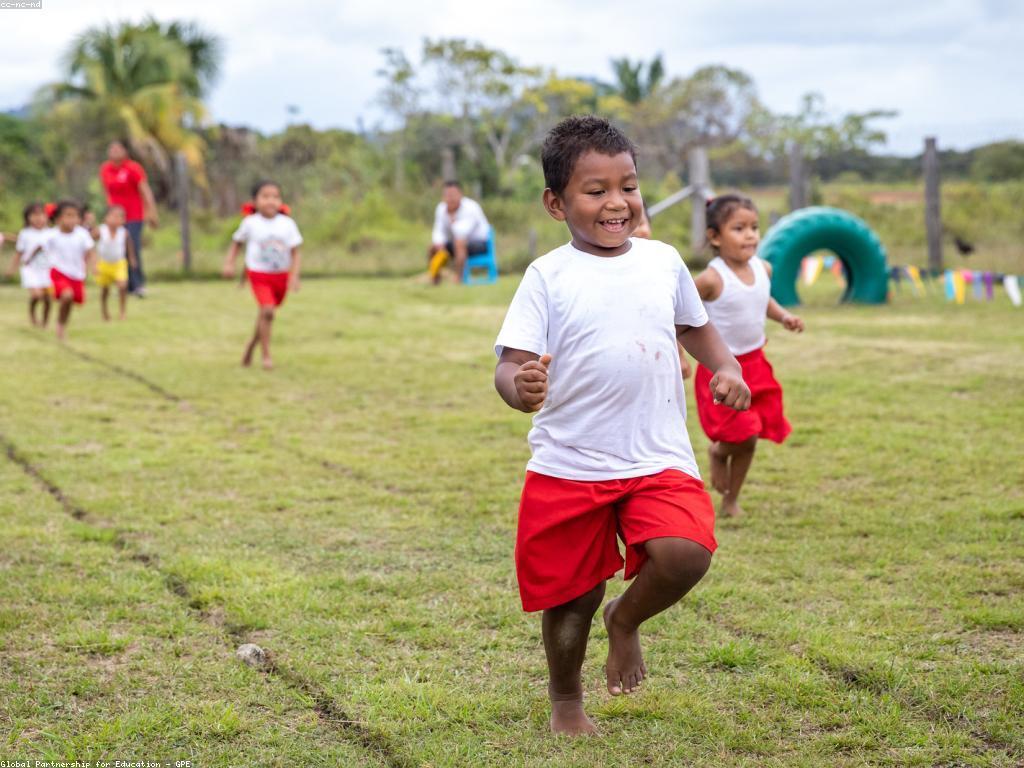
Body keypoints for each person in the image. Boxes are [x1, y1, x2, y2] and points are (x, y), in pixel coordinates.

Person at [493, 116, 751, 736]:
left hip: (656, 455)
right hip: (569, 463)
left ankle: (626, 620)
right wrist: (520, 387)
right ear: (556, 203)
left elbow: (694, 326)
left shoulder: (662, 261)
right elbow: (509, 365)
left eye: (628, 186)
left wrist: (727, 366)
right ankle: (565, 700)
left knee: (686, 553)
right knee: (571, 595)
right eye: (596, 190)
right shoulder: (546, 277)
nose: (618, 203)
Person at [691, 194, 804, 518]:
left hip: (756, 365)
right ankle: (717, 452)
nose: (750, 235)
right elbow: (682, 310)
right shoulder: (711, 279)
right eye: (739, 228)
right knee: (742, 433)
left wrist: (783, 317)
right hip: (722, 371)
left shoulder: (763, 268)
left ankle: (730, 500)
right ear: (715, 237)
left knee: (752, 438)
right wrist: (680, 352)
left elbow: (762, 300)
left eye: (754, 227)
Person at [222, 180, 303, 370]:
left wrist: (294, 275)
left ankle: (251, 345)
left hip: (280, 275)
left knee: (266, 315)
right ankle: (266, 355)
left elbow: (295, 252)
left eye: (275, 197)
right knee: (267, 311)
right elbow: (236, 243)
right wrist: (229, 263)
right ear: (255, 200)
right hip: (258, 274)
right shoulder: (250, 223)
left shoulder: (287, 224)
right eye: (265, 196)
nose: (270, 201)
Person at [99, 141, 159, 297]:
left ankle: (137, 284)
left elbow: (145, 191)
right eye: (112, 148)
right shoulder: (106, 169)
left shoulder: (133, 168)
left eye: (118, 148)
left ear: (125, 151)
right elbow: (107, 192)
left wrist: (151, 212)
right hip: (114, 218)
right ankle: (123, 283)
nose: (114, 151)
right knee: (117, 250)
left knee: (132, 248)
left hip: (133, 215)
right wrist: (108, 214)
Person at [47, 200, 96, 341]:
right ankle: (60, 326)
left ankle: (62, 324)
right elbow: (39, 247)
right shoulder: (52, 235)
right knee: (66, 296)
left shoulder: (82, 234)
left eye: (75, 216)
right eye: (68, 215)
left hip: (76, 274)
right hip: (58, 272)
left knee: (70, 301)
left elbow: (91, 251)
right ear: (58, 218)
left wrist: (94, 266)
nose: (72, 219)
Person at [427, 181, 490, 284]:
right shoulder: (441, 208)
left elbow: (462, 232)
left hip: (479, 244)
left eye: (453, 195)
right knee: (432, 247)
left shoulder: (471, 207)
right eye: (447, 195)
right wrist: (439, 243)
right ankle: (435, 279)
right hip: (456, 244)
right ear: (443, 196)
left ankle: (458, 279)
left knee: (459, 242)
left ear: (460, 195)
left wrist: (452, 218)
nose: (450, 198)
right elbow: (438, 230)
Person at [6, 202, 53, 327]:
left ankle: (45, 322)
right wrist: (12, 268)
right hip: (30, 269)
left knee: (48, 298)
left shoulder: (52, 233)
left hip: (47, 270)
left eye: (41, 214)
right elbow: (18, 253)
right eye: (34, 215)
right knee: (37, 295)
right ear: (28, 217)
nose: (38, 218)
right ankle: (32, 313)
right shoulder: (25, 234)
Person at [92, 205, 138, 321]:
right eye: (114, 216)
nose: (117, 219)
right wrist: (94, 263)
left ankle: (122, 311)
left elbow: (129, 246)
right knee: (105, 290)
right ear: (106, 218)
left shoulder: (124, 233)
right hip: (104, 264)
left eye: (120, 217)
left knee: (122, 286)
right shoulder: (101, 230)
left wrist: (132, 259)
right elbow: (89, 243)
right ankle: (104, 311)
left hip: (119, 263)